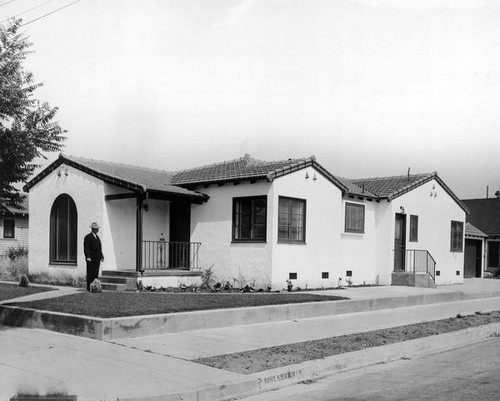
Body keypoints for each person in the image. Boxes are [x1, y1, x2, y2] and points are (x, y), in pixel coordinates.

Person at [84, 222, 104, 291]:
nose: (97, 230)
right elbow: (86, 248)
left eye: (97, 229)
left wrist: (101, 256)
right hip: (91, 259)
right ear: (92, 229)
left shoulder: (97, 237)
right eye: (95, 229)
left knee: (96, 273)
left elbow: (99, 248)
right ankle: (89, 287)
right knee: (90, 273)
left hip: (97, 258)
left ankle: (95, 287)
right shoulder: (88, 237)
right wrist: (88, 257)